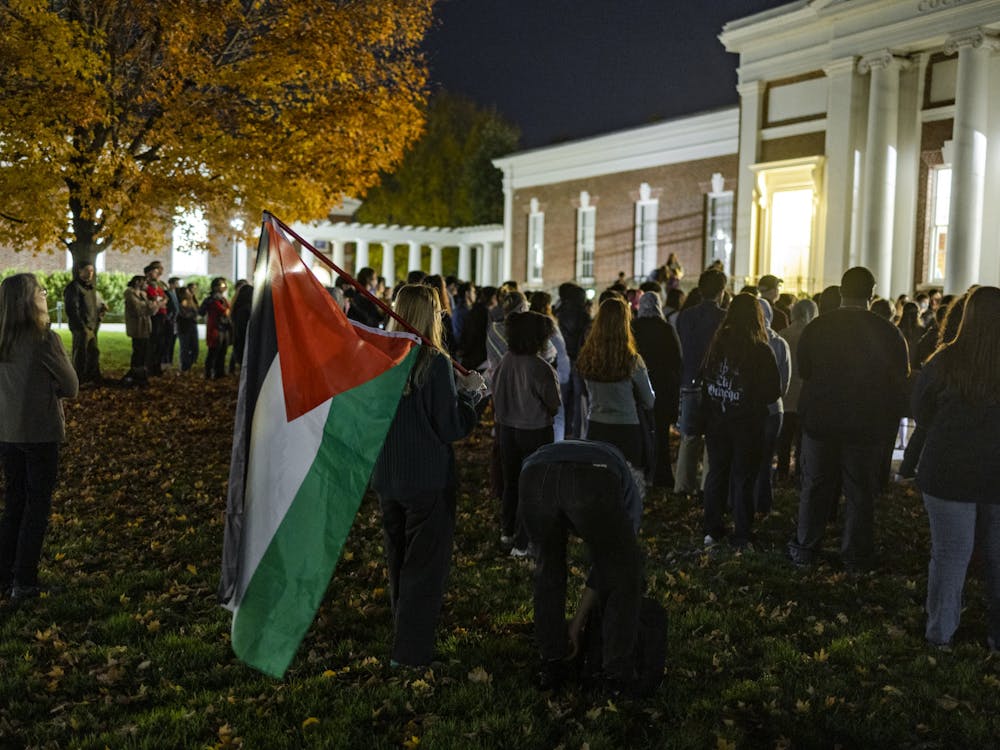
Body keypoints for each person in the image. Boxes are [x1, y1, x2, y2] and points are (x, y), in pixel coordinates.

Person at [370, 284, 483, 666]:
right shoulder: (433, 363)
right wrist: (471, 397)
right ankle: (411, 653)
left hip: (389, 475)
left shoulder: (381, 359)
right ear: (429, 315)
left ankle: (404, 636)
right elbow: (450, 426)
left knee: (399, 560)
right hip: (427, 478)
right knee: (423, 568)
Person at [788, 267, 909, 572]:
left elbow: (804, 370)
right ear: (872, 293)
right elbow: (900, 376)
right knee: (860, 491)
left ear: (841, 291)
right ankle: (855, 555)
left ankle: (806, 547)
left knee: (816, 485)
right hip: (865, 423)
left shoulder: (817, 327)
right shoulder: (887, 332)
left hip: (821, 419)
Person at [911, 286, 1000, 650]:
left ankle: (941, 634)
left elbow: (921, 411)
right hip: (994, 471)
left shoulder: (944, 360)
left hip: (948, 470)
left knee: (949, 556)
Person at [519, 440, 646, 693]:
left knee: (548, 566)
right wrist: (578, 623)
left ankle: (551, 662)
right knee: (626, 569)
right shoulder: (628, 491)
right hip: (591, 478)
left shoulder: (600, 453)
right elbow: (610, 566)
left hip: (534, 475)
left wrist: (575, 625)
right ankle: (616, 673)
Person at [0, 274, 78, 603]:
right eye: (40, 291)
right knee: (36, 507)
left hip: (6, 432)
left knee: (14, 503)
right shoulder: (44, 339)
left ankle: (5, 576)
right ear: (28, 300)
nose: (45, 295)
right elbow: (71, 386)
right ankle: (25, 581)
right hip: (39, 433)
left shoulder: (3, 339)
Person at [700, 294, 781, 548]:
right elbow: (773, 392)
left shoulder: (716, 344)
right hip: (748, 424)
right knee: (744, 477)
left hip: (717, 421)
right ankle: (742, 532)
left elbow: (705, 378)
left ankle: (712, 528)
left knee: (717, 473)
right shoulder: (760, 350)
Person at [491, 311, 561, 554]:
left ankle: (507, 531)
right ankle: (523, 542)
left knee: (511, 483)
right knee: (531, 485)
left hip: (507, 430)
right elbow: (553, 403)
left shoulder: (505, 362)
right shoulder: (540, 368)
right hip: (535, 431)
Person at [576, 296, 654, 484]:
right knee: (629, 483)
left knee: (599, 483)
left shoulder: (587, 357)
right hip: (627, 429)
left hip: (596, 426)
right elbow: (649, 400)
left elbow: (585, 391)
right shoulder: (633, 360)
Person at [674, 268, 728, 497]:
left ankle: (682, 486)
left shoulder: (685, 317)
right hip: (715, 383)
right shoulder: (724, 317)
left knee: (689, 437)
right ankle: (708, 486)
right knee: (713, 438)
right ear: (721, 291)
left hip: (689, 381)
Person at [631, 291, 682, 488]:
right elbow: (677, 359)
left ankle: (642, 474)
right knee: (661, 432)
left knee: (641, 431)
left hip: (638, 386)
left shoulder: (634, 327)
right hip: (662, 386)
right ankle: (662, 475)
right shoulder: (666, 329)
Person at [776, 298, 818, 482]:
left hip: (784, 395)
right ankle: (800, 473)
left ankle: (782, 471)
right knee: (802, 440)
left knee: (784, 439)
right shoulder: (813, 336)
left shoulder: (782, 335)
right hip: (804, 395)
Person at [554, 282, 591, 440]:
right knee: (578, 398)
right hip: (577, 359)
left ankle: (561, 432)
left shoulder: (559, 313)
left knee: (562, 397)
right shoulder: (584, 316)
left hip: (562, 358)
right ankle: (575, 434)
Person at [62, 262, 104, 385]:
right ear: (80, 271)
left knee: (93, 353)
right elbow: (72, 309)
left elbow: (90, 307)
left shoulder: (90, 288)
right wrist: (81, 326)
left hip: (91, 326)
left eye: (92, 270)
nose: (90, 273)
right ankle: (79, 380)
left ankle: (90, 377)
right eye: (87, 270)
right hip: (81, 327)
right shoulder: (74, 287)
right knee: (81, 354)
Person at [122, 275, 161, 387]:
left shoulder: (143, 294)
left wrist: (152, 305)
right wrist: (152, 304)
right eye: (145, 282)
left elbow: (152, 311)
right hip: (136, 326)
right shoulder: (129, 293)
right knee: (138, 350)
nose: (147, 285)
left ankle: (140, 374)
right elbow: (138, 309)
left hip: (146, 326)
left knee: (144, 351)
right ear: (137, 282)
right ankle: (135, 374)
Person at [201, 277, 231, 380]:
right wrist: (226, 310)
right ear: (215, 287)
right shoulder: (211, 300)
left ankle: (219, 372)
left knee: (223, 351)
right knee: (213, 351)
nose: (224, 287)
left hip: (224, 328)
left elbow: (228, 310)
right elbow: (223, 311)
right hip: (215, 328)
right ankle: (208, 373)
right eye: (222, 285)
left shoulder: (223, 299)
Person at [143, 261, 167, 377]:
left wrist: (161, 301)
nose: (157, 274)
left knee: (160, 343)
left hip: (162, 314)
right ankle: (150, 367)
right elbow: (153, 299)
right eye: (155, 272)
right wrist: (160, 302)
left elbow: (164, 297)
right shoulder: (147, 285)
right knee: (153, 342)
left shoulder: (158, 285)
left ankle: (157, 366)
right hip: (155, 316)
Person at [228, 282, 253, 373]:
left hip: (239, 341)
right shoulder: (245, 309)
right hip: (244, 342)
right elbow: (242, 328)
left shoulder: (237, 308)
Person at [176, 281, 200, 372]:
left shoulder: (192, 301)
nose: (190, 293)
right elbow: (185, 315)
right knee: (185, 347)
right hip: (184, 327)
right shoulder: (183, 303)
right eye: (187, 292)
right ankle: (185, 366)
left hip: (193, 325)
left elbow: (197, 311)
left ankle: (190, 363)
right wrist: (194, 314)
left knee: (195, 347)